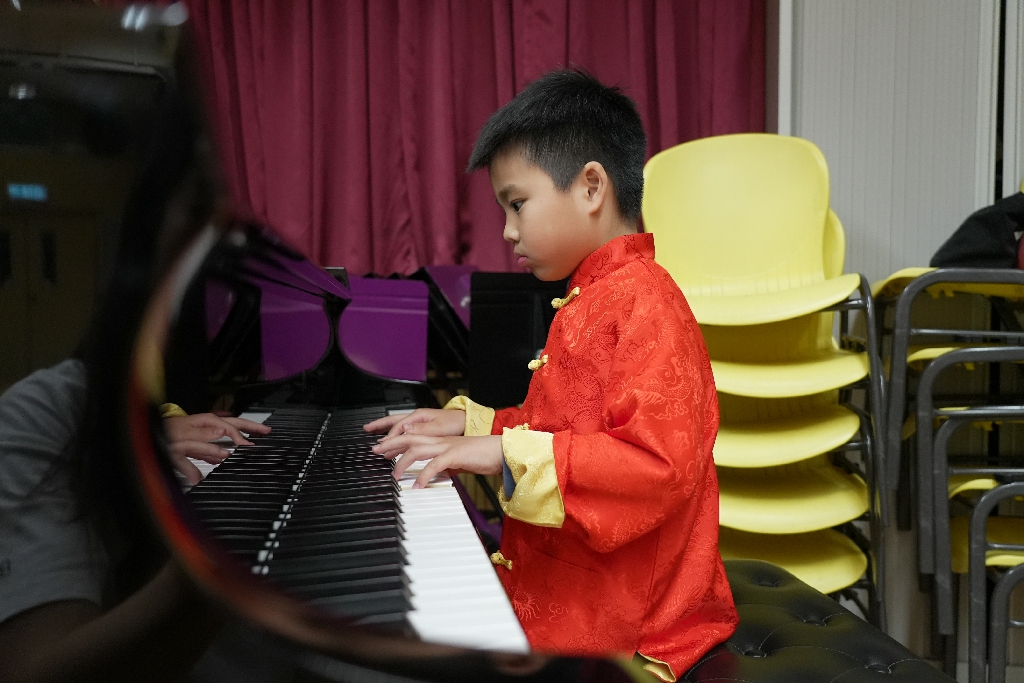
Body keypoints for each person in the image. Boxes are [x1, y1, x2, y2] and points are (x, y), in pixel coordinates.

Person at [365, 70, 737, 681]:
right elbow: (561, 431)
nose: (508, 231)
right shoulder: (591, 295)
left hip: (632, 632)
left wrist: (500, 452)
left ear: (591, 187)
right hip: (567, 599)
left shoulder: (649, 303)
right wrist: (471, 425)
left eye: (517, 204)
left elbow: (657, 465)